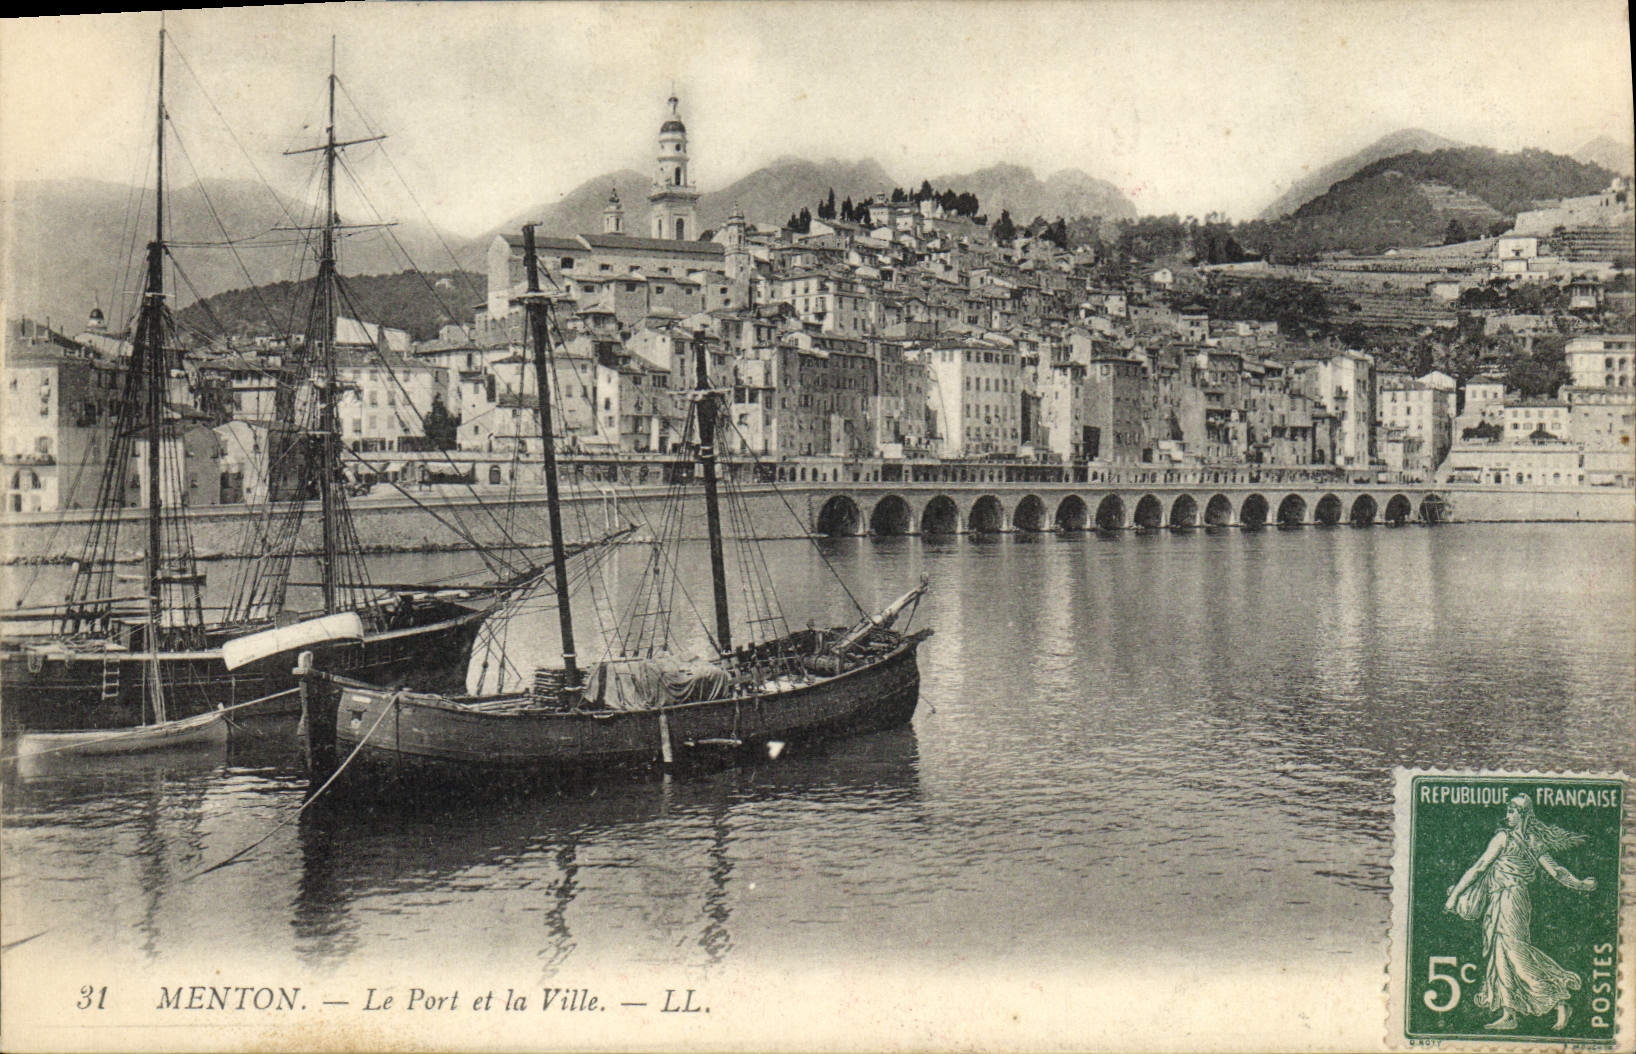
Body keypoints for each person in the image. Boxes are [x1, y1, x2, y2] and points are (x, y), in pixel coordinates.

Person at [1444, 794, 1597, 1031]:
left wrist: (1454, 897)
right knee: (1501, 955)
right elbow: (1556, 872)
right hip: (1505, 900)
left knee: (1516, 954)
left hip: (1510, 900)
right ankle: (1509, 1013)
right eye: (1508, 810)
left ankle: (1559, 999)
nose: (1508, 815)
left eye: (1513, 811)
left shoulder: (1505, 838)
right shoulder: (1530, 840)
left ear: (1524, 814)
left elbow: (1480, 867)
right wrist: (1580, 884)